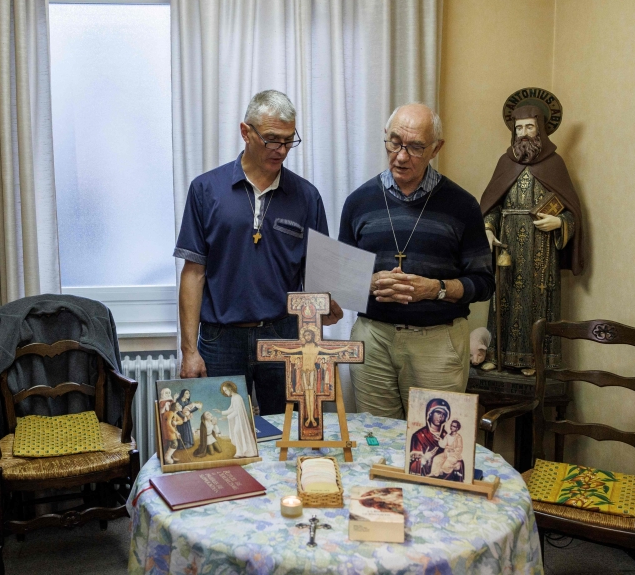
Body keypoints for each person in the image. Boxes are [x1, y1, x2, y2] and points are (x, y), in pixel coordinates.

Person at [174, 90, 343, 415]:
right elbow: (193, 273)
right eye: (271, 140)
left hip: (285, 334)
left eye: (288, 140)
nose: (281, 150)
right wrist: (189, 350)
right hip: (219, 338)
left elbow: (320, 275)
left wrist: (327, 307)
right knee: (220, 440)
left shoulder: (307, 196)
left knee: (286, 436)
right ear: (245, 132)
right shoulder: (205, 190)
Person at [339, 103, 494, 419]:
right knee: (376, 440)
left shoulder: (463, 205)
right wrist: (370, 283)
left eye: (415, 147)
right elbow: (339, 280)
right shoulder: (358, 202)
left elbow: (484, 283)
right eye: (394, 142)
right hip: (374, 339)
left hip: (438, 344)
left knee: (434, 450)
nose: (401, 155)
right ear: (385, 136)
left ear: (437, 148)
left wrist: (434, 289)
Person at [479, 93, 585, 372]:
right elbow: (492, 204)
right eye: (519, 128)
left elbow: (572, 211)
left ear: (541, 128)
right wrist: (488, 229)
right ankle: (497, 356)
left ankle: (536, 360)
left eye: (529, 127)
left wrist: (560, 223)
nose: (524, 133)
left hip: (541, 249)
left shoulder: (555, 164)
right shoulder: (505, 162)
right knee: (503, 297)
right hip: (508, 245)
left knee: (537, 302)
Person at [408, 398, 450, 476]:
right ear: (430, 414)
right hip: (424, 475)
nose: (441, 416)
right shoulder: (419, 436)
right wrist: (424, 459)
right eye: (438, 412)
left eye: (443, 414)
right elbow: (411, 466)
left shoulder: (446, 436)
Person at [219, 381, 256, 458]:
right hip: (237, 419)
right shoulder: (234, 398)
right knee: (237, 433)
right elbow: (232, 409)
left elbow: (237, 411)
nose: (225, 393)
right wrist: (222, 412)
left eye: (225, 390)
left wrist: (227, 417)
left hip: (240, 419)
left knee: (237, 432)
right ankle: (241, 452)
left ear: (230, 388)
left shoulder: (237, 398)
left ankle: (242, 452)